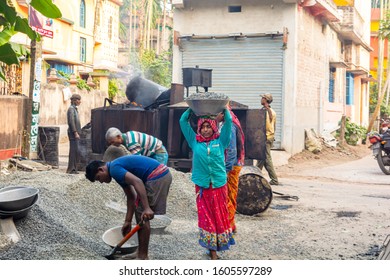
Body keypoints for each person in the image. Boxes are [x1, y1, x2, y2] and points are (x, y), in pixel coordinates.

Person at [85, 155, 172, 260]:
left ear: (101, 169)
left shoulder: (114, 169)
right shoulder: (115, 169)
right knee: (139, 212)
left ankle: (143, 256)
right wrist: (128, 221)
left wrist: (146, 208)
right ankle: (140, 252)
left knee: (142, 216)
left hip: (157, 175)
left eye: (98, 178)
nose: (101, 182)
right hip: (160, 174)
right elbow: (131, 196)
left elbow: (137, 182)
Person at [179, 107, 235, 260]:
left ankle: (217, 244)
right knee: (206, 216)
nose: (205, 130)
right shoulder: (194, 141)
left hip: (219, 184)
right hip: (203, 185)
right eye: (202, 127)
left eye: (208, 126)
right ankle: (211, 250)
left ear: (214, 127)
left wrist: (224, 107)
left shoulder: (220, 141)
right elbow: (182, 121)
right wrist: (191, 108)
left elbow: (229, 121)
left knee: (219, 215)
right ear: (199, 128)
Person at [216, 106, 245, 233]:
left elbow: (232, 150)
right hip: (232, 164)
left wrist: (226, 170)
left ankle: (228, 225)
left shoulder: (230, 126)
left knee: (228, 196)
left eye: (215, 114)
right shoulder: (230, 122)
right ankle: (229, 224)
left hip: (231, 166)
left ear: (223, 114)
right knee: (229, 196)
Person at [256, 93, 279, 185]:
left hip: (266, 138)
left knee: (266, 159)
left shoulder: (268, 112)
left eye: (262, 98)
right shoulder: (269, 111)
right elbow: (274, 126)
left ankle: (274, 180)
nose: (261, 99)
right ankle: (256, 175)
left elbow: (266, 127)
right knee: (261, 159)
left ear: (266, 100)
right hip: (268, 137)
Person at [66, 94, 82, 174]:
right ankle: (71, 169)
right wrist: (75, 132)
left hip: (75, 133)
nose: (80, 101)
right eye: (78, 100)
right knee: (73, 151)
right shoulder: (71, 109)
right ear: (74, 100)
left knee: (76, 151)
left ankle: (74, 169)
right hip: (73, 133)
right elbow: (71, 122)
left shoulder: (74, 109)